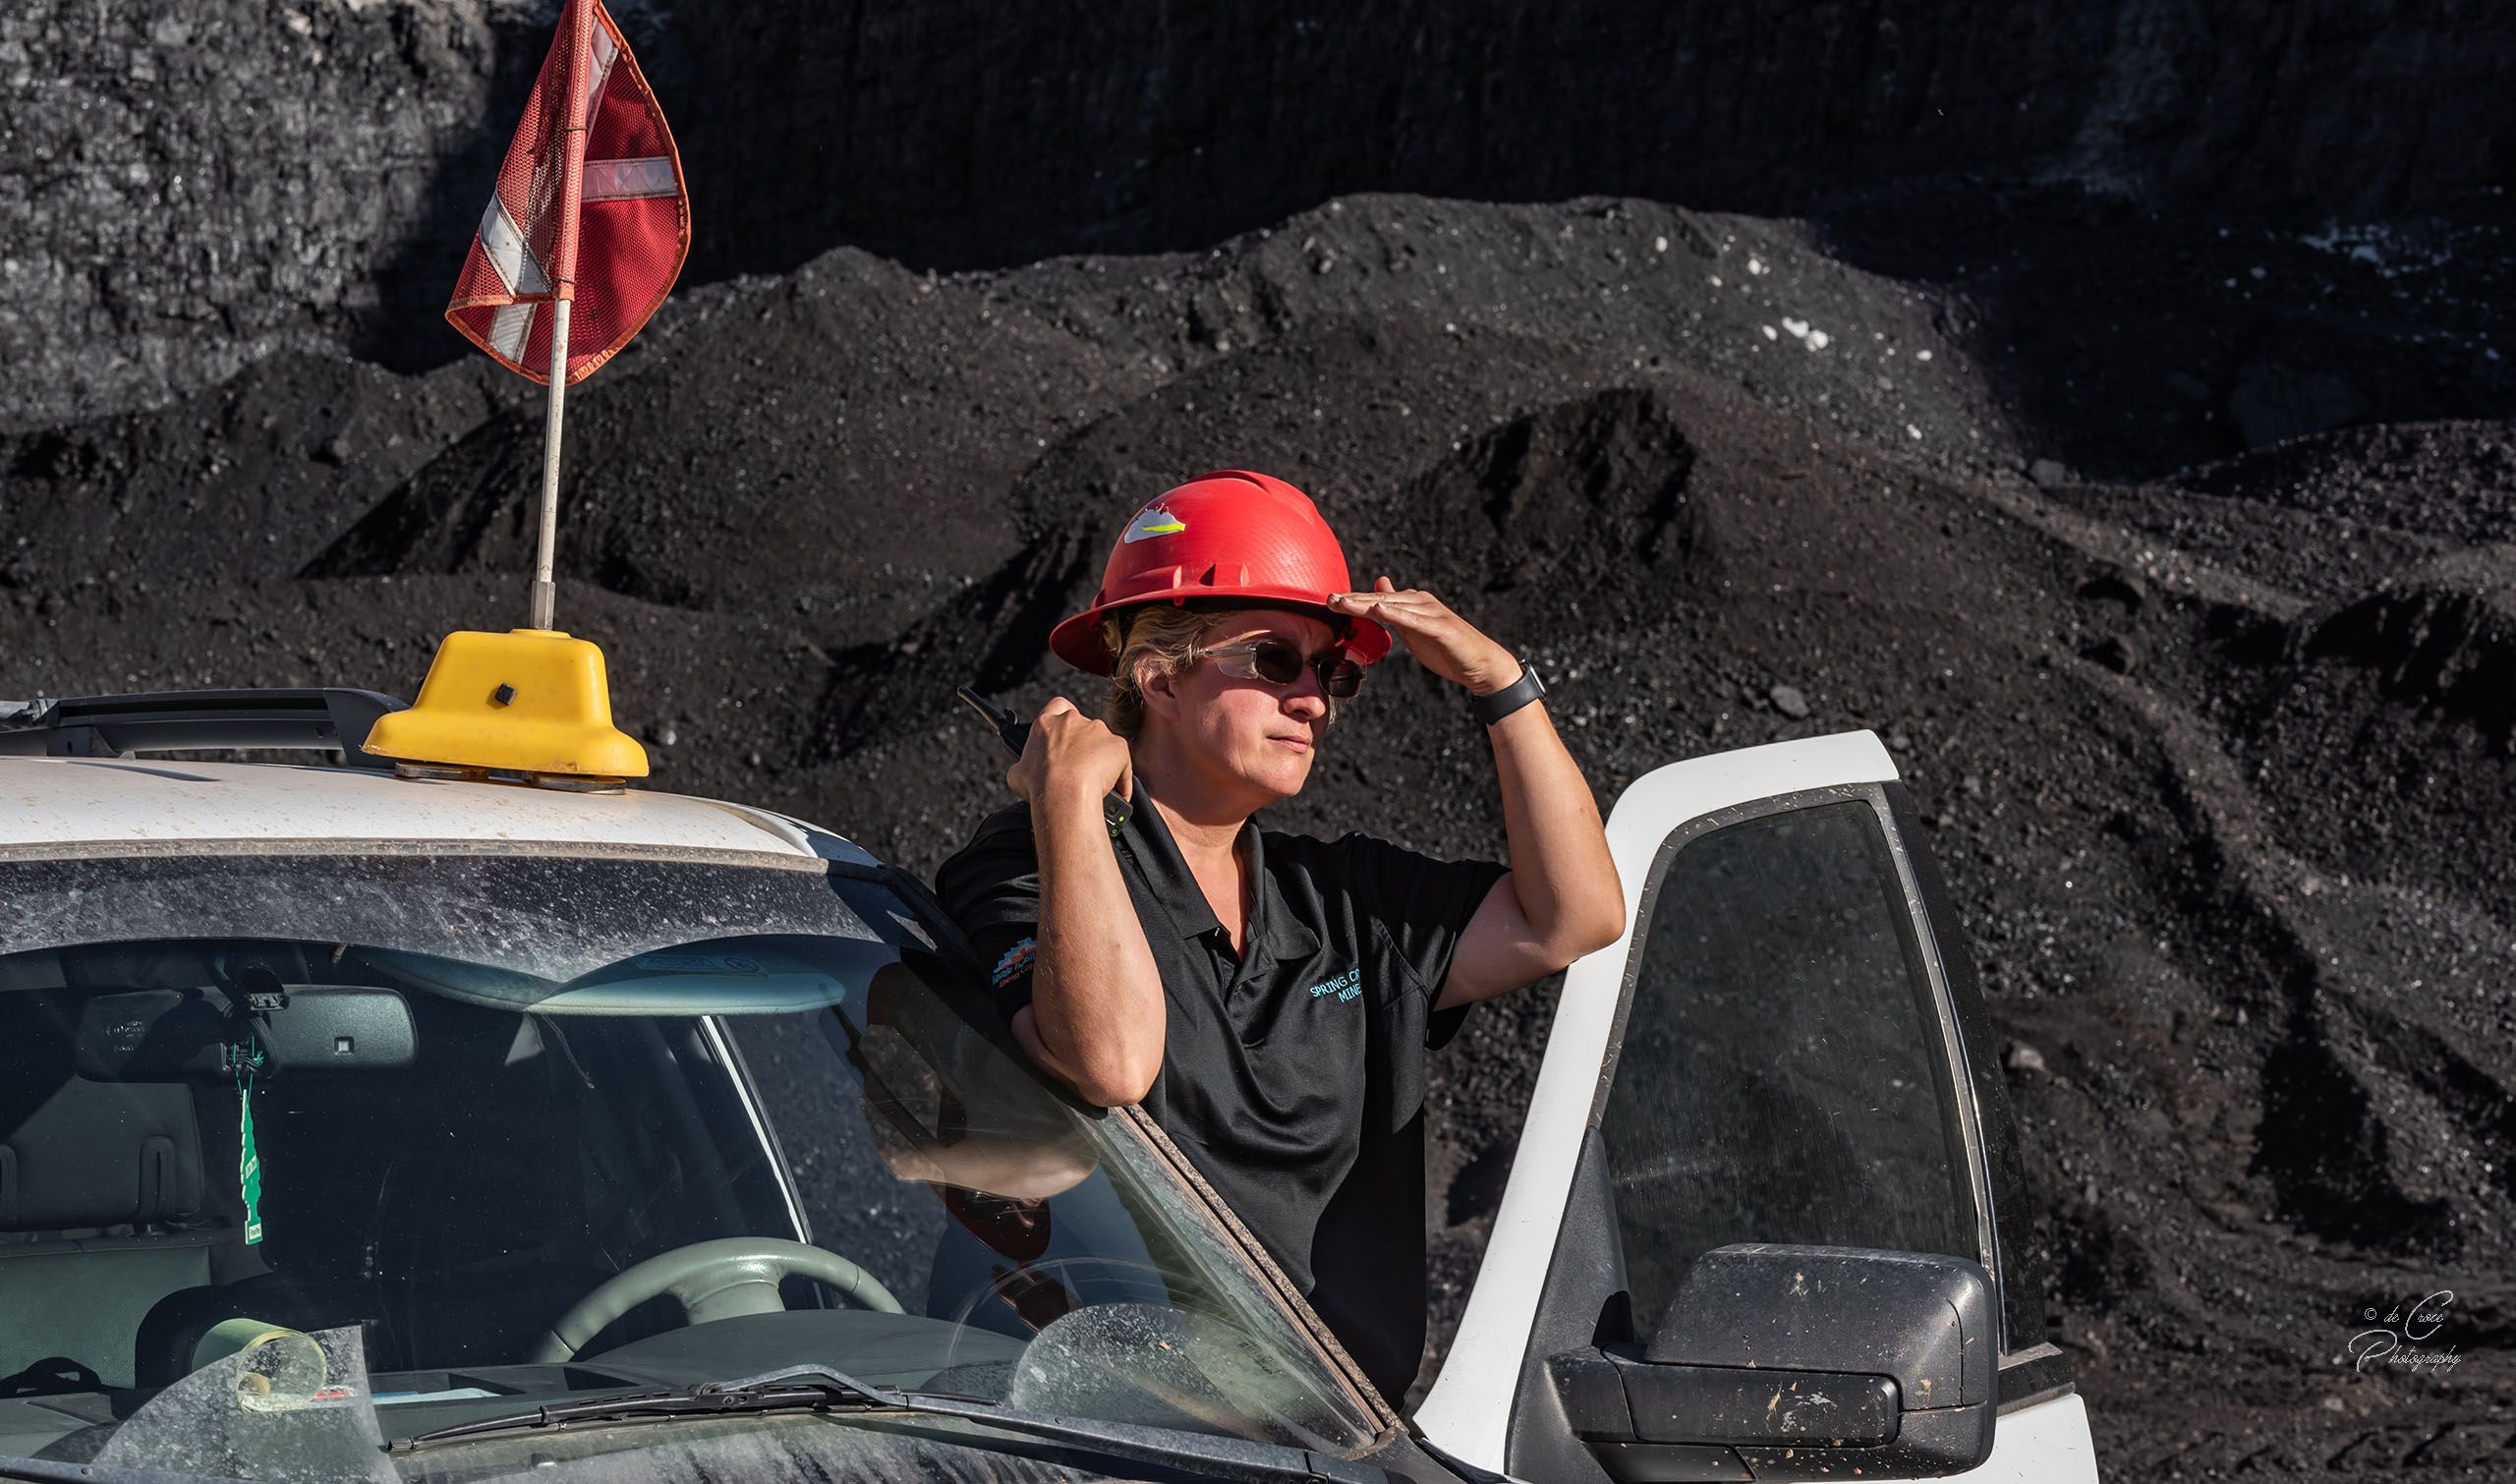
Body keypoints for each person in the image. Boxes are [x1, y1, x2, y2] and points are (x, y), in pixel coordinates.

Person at [933, 469, 1624, 1402]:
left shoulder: (1342, 897)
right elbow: (1112, 1061)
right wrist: (1067, 801)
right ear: (1160, 678)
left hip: (1342, 1438)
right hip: (1131, 1434)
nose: (1315, 700)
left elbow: (1573, 917)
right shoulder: (1031, 865)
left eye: (1331, 671)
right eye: (1275, 662)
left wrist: (1499, 684)